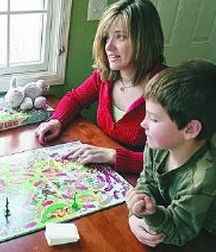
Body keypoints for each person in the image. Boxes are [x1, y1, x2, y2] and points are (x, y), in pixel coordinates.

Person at [35, 0, 166, 175]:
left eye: (120, 36)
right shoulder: (105, 75)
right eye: (106, 37)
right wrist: (56, 120)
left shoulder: (167, 88)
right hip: (102, 167)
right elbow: (75, 98)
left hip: (141, 182)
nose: (108, 47)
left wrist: (113, 155)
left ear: (144, 39)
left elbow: (168, 160)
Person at [125, 59, 216, 247]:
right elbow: (147, 182)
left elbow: (180, 230)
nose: (143, 124)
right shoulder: (156, 144)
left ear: (190, 129)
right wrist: (136, 212)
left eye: (154, 118)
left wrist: (151, 215)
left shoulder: (202, 177)